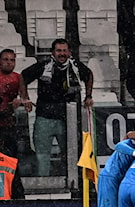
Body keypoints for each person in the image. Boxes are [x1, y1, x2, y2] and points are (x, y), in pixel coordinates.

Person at [21, 38, 94, 176]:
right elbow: (23, 76)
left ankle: (72, 186)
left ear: (70, 52)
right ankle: (42, 187)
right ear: (52, 52)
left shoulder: (75, 66)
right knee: (42, 157)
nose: (62, 54)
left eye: (65, 51)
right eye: (59, 51)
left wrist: (88, 95)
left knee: (71, 155)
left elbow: (89, 75)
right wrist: (25, 98)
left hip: (68, 119)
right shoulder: (43, 65)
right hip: (44, 117)